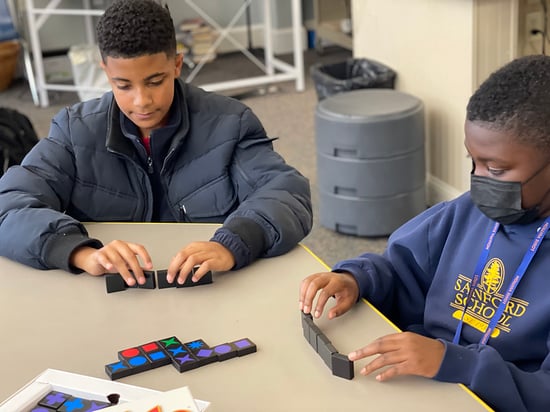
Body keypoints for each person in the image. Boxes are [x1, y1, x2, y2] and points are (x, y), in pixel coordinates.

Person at [299, 54, 550, 412]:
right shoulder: (465, 213)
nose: (478, 182)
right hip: (419, 386)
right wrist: (356, 280)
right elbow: (401, 273)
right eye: (473, 162)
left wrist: (454, 363)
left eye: (495, 169)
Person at [0, 0, 312, 287]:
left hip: (210, 292)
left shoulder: (230, 124)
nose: (142, 101)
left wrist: (232, 244)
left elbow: (287, 193)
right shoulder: (74, 130)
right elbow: (8, 206)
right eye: (123, 85)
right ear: (105, 73)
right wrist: (81, 252)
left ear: (177, 65)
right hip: (108, 297)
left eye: (155, 81)